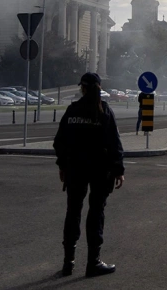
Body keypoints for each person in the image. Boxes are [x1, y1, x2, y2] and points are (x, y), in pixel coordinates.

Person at [54, 72, 125, 278]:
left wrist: (63, 165)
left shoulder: (72, 110)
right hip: (100, 171)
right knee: (96, 214)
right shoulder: (104, 112)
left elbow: (60, 142)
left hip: (75, 169)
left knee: (73, 212)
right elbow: (114, 143)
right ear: (99, 88)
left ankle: (68, 263)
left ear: (82, 88)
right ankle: (93, 263)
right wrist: (119, 170)